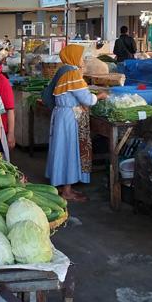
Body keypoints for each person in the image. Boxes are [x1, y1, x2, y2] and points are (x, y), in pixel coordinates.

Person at [45, 45, 108, 202]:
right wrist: (99, 96)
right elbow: (87, 99)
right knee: (69, 150)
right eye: (80, 56)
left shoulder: (63, 71)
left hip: (60, 114)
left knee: (60, 149)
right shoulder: (73, 74)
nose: (82, 59)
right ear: (73, 57)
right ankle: (67, 191)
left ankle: (59, 184)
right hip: (69, 117)